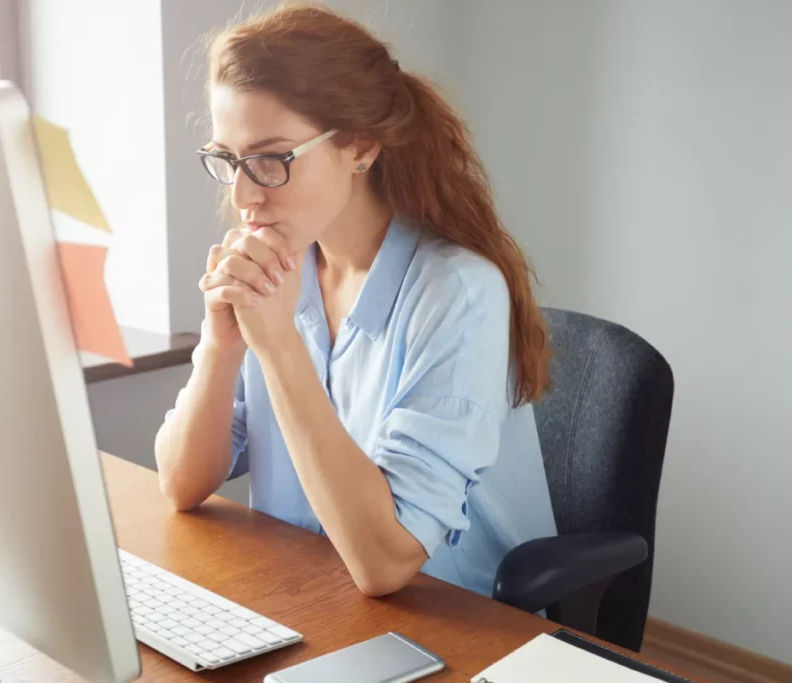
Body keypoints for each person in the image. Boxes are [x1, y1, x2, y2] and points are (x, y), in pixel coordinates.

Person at [155, 4, 557, 599]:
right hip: (313, 596)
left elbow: (386, 564)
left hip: (456, 623)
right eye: (229, 161)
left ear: (360, 147)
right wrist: (221, 345)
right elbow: (182, 483)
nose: (242, 195)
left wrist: (280, 347)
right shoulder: (283, 272)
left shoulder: (458, 295)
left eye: (270, 159)